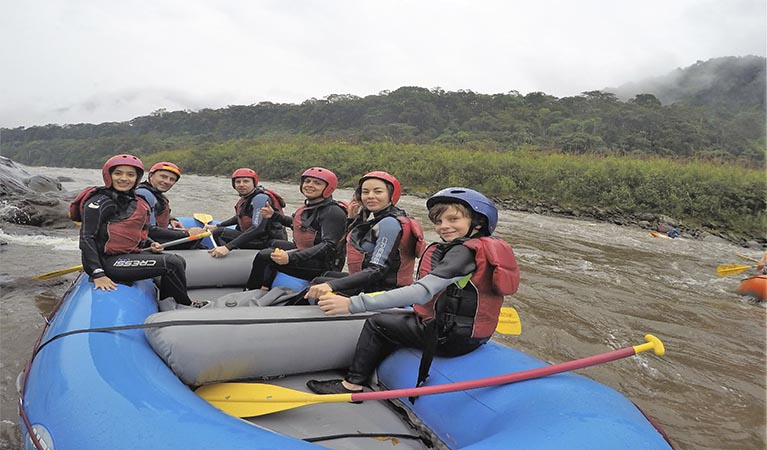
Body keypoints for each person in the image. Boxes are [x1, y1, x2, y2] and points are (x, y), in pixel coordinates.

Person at [306, 187, 520, 395]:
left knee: (378, 323)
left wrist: (353, 304)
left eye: (453, 219)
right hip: (471, 336)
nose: (443, 227)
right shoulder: (481, 247)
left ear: (478, 222)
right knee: (399, 317)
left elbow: (422, 292)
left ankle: (352, 384)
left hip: (449, 339)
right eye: (438, 221)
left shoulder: (463, 254)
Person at [78, 154, 205, 307]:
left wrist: (150, 243)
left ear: (137, 178)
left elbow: (138, 229)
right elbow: (87, 238)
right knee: (172, 263)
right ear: (108, 175)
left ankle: (165, 300)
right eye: (118, 173)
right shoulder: (100, 202)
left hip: (126, 254)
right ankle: (185, 304)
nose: (124, 178)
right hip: (109, 262)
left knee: (177, 260)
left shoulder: (128, 198)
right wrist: (98, 273)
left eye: (130, 175)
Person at [304, 171, 425, 300]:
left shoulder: (390, 224)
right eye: (365, 192)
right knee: (322, 278)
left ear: (391, 195)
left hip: (384, 291)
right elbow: (345, 247)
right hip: (371, 283)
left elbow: (377, 269)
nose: (370, 196)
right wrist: (351, 219)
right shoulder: (377, 220)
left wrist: (331, 285)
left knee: (320, 284)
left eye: (378, 192)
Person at [244, 167, 348, 291]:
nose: (310, 185)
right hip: (308, 255)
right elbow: (298, 226)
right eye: (307, 181)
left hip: (323, 266)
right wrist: (274, 215)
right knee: (274, 243)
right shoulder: (312, 206)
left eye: (317, 183)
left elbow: (329, 245)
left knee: (264, 256)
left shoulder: (333, 212)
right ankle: (266, 286)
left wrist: (291, 257)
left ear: (328, 188)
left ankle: (250, 290)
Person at [204, 168, 287, 258]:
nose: (241, 185)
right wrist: (218, 225)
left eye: (246, 181)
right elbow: (239, 217)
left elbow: (258, 228)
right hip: (257, 239)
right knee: (218, 230)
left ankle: (227, 256)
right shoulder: (247, 197)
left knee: (219, 233)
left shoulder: (260, 199)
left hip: (268, 243)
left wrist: (227, 247)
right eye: (238, 182)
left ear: (254, 183)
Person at [135, 161, 205, 247]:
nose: (167, 181)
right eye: (163, 177)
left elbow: (155, 212)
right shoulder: (143, 195)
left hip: (155, 237)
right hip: (148, 242)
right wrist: (186, 234)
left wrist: (171, 219)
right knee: (197, 242)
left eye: (172, 179)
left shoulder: (156, 194)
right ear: (151, 175)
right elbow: (149, 230)